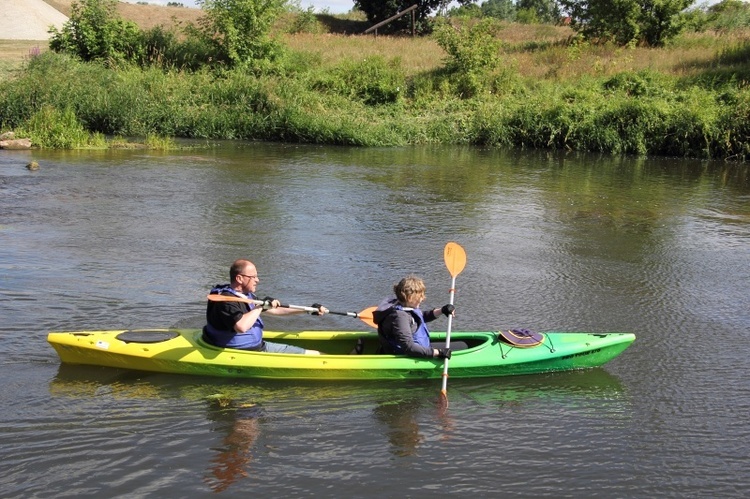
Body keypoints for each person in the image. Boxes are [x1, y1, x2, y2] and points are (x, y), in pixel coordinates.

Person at [204, 259, 327, 354]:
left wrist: (308, 310)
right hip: (243, 350)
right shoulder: (226, 301)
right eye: (253, 277)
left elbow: (276, 310)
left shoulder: (245, 295)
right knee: (316, 354)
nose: (257, 280)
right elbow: (241, 327)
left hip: (252, 346)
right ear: (240, 278)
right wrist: (260, 307)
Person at [372, 275, 460, 359]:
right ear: (410, 297)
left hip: (420, 350)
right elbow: (408, 347)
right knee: (461, 347)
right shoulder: (400, 318)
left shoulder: (405, 306)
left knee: (461, 345)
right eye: (420, 296)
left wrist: (442, 310)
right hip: (407, 357)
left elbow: (420, 317)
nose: (423, 298)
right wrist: (438, 353)